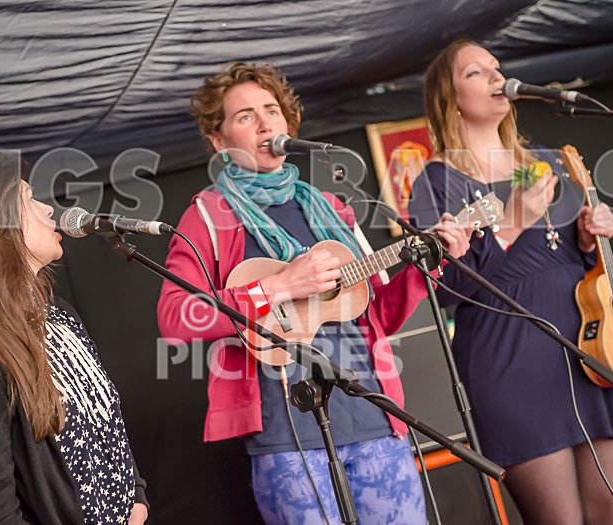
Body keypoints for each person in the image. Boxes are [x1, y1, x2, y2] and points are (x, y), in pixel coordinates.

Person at [156, 62, 471, 524]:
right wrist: (277, 286)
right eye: (245, 116)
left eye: (272, 111)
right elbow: (176, 318)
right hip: (286, 435)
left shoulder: (330, 208)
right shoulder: (208, 216)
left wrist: (427, 261)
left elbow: (375, 309)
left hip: (372, 415)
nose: (265, 123)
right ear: (219, 141)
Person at [409, 39, 613, 524]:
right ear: (448, 98)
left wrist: (591, 238)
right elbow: (445, 292)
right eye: (475, 72)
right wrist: (511, 222)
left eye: (496, 67)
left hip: (588, 354)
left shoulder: (547, 161)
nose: (496, 77)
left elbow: (567, 260)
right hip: (512, 367)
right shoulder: (437, 181)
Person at [0, 148, 149, 524]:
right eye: (28, 198)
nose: (48, 208)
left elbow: (105, 427)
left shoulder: (61, 318)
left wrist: (135, 500)